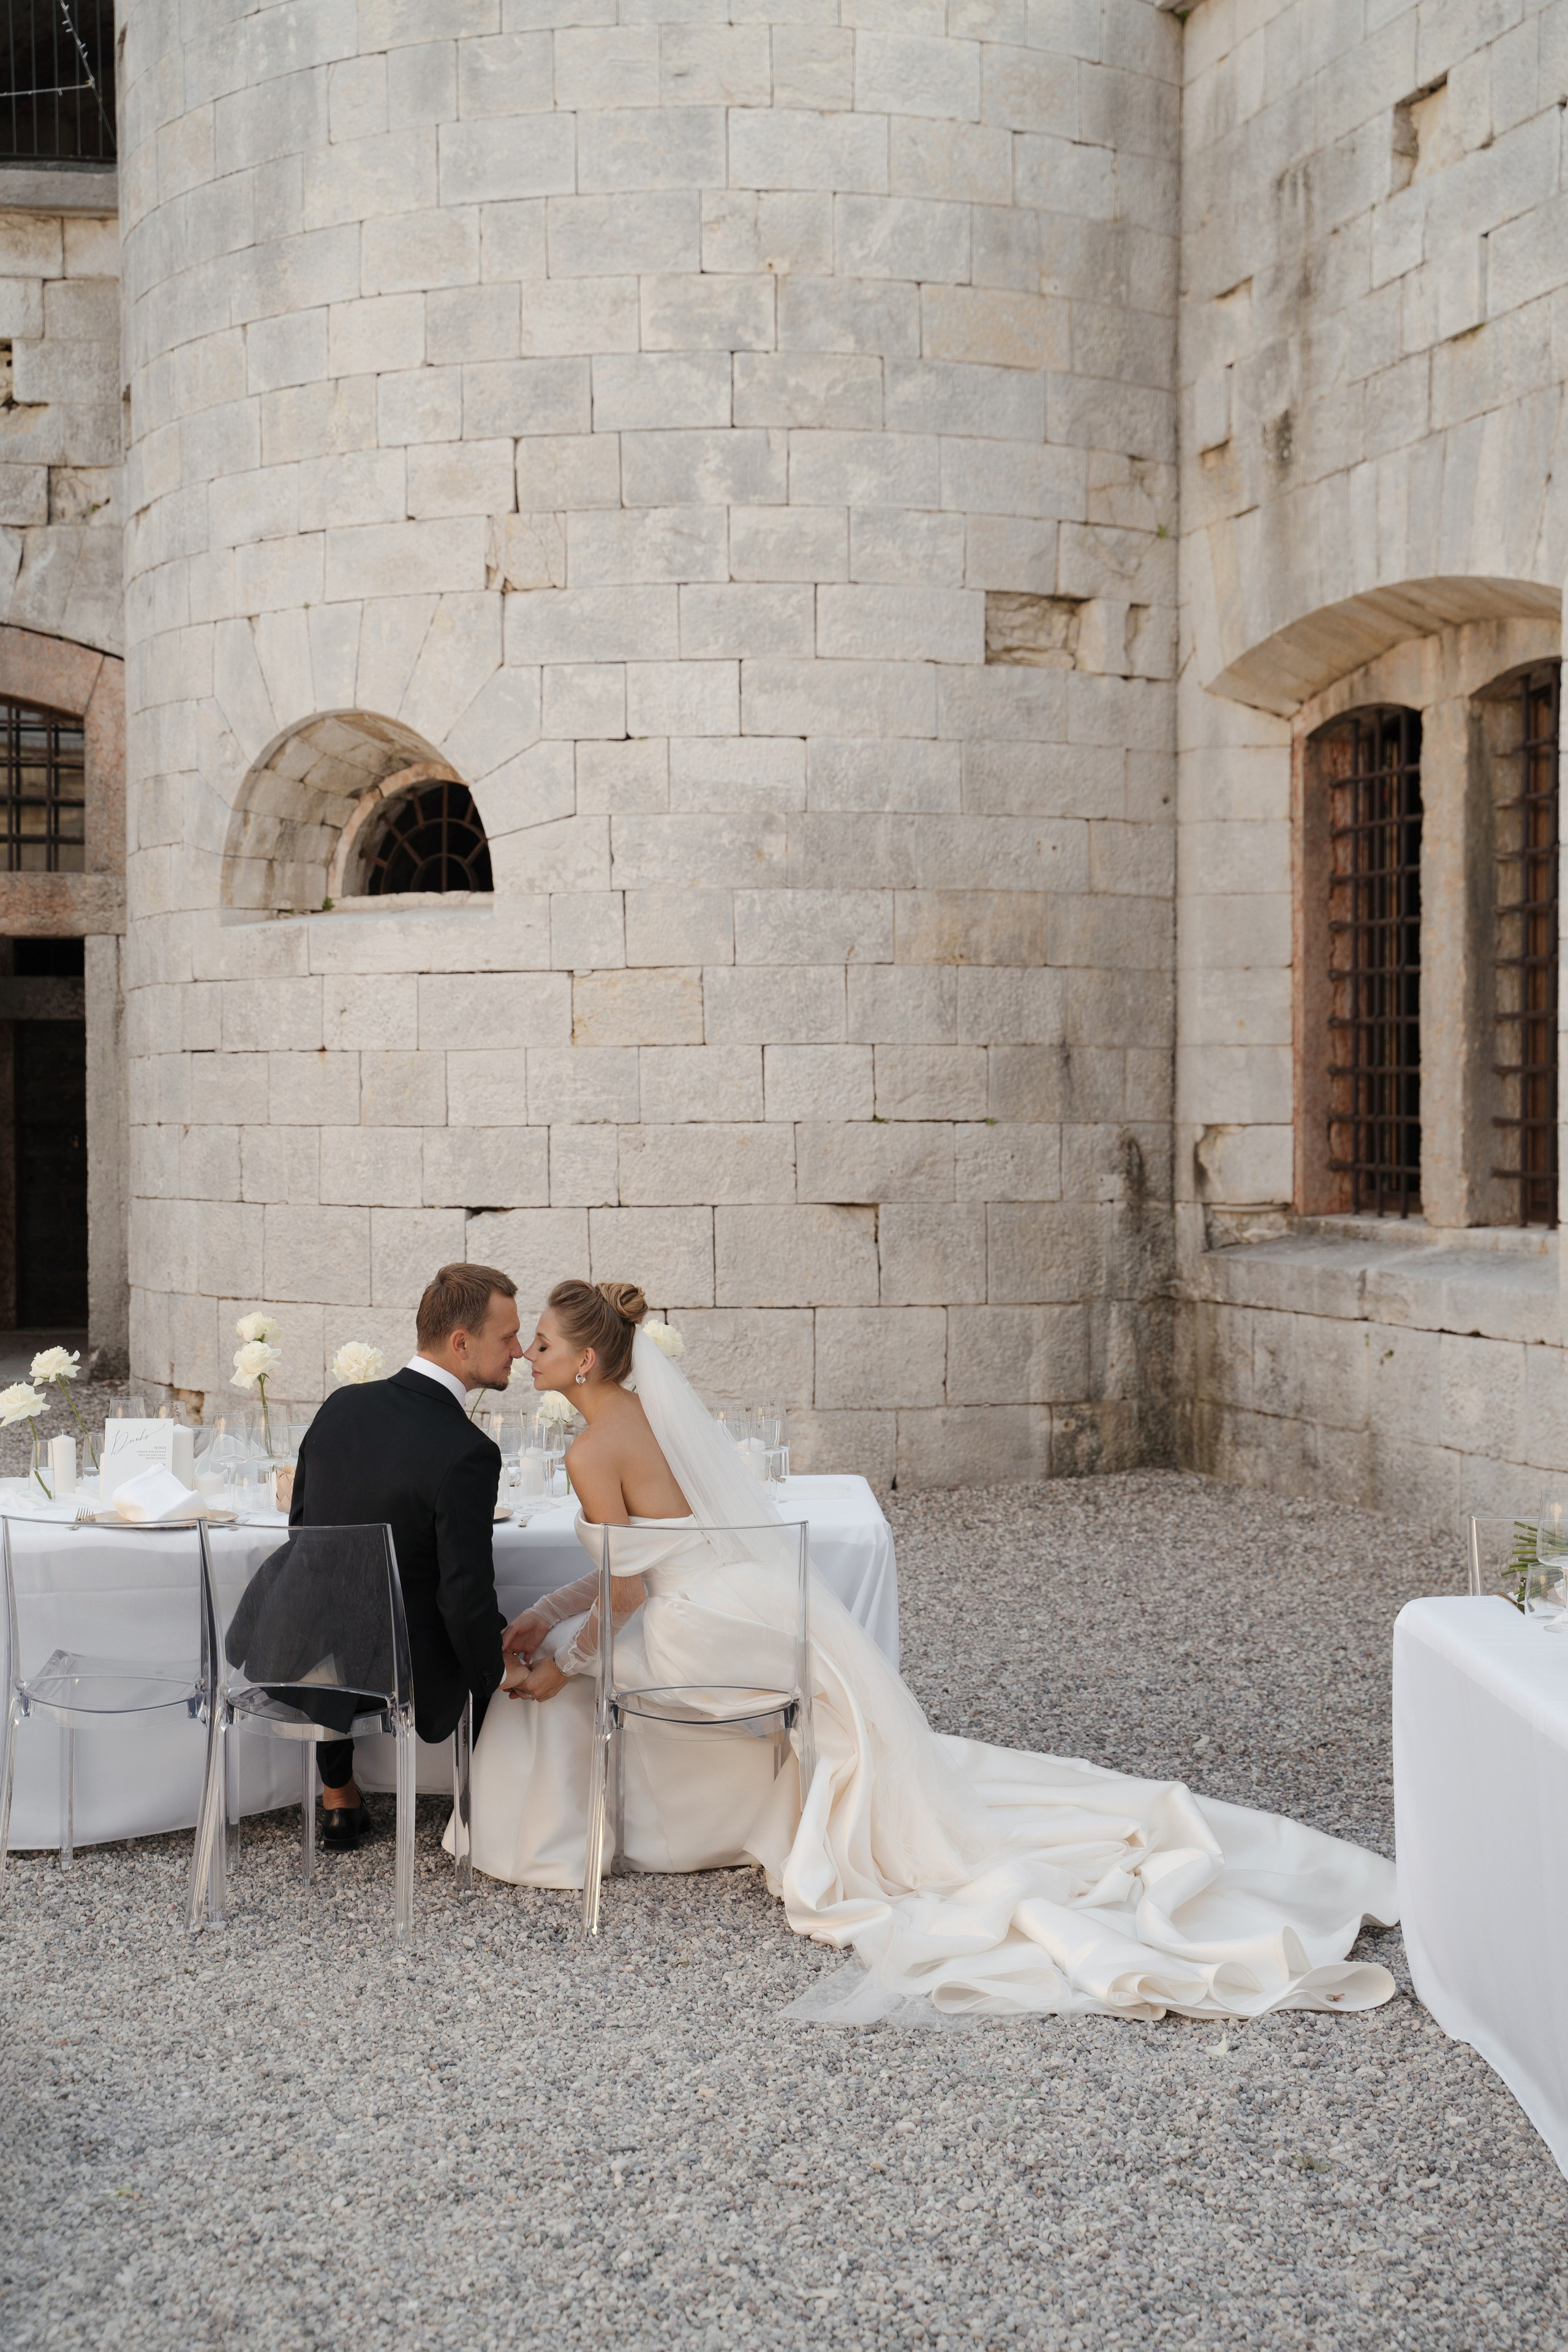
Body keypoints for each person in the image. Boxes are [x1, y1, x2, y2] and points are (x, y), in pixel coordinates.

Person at [461, 1280, 1400, 2022]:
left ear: (586, 1361)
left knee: (542, 1694)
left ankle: (552, 1848)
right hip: (745, 1603)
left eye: (540, 1344)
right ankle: (702, 1825)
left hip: (693, 1622)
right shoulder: (653, 1420)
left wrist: (562, 1661)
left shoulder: (591, 1453)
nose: (528, 1357)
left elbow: (630, 1589)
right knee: (575, 1664)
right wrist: (546, 1614)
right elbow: (637, 1563)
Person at [284, 1261, 520, 1851]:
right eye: (508, 1337)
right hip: (401, 1666)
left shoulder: (341, 1406)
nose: (518, 1350)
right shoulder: (468, 1450)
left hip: (311, 1652)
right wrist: (496, 1670)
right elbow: (463, 1593)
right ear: (461, 1343)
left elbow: (302, 1533)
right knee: (499, 1638)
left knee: (333, 1600)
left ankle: (338, 1795)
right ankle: (480, 1813)